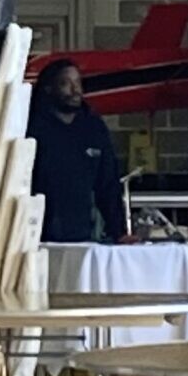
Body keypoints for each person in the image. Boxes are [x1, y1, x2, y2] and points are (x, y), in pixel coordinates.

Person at [28, 58, 129, 244]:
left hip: (81, 235)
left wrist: (119, 232)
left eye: (78, 83)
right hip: (34, 235)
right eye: (66, 83)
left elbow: (108, 185)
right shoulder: (31, 127)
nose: (76, 91)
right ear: (48, 88)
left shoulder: (93, 128)